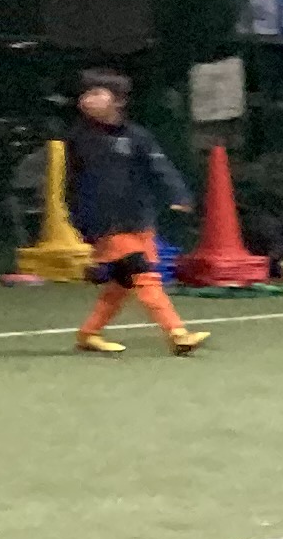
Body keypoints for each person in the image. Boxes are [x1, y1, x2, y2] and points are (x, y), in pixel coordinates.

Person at [61, 70, 207, 356]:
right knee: (144, 276)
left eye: (96, 93)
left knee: (122, 283)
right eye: (85, 94)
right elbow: (72, 183)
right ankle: (177, 334)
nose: (87, 100)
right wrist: (80, 220)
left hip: (139, 220)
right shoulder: (78, 138)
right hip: (106, 224)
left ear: (118, 101)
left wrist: (179, 195)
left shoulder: (138, 136)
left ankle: (89, 334)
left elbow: (160, 168)